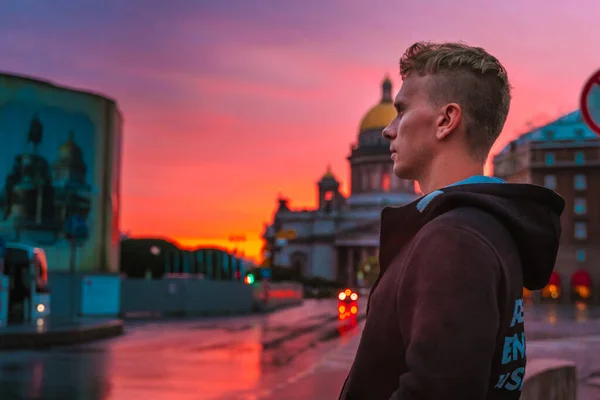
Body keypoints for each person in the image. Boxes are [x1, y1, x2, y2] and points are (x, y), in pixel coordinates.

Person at [339, 42, 565, 399]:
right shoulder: (486, 228)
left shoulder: (454, 240)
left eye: (402, 110)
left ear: (446, 120)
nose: (388, 129)